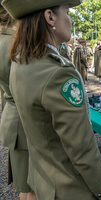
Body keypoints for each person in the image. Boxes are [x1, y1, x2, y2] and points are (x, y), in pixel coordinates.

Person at [3, 1, 101, 200]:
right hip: (69, 188)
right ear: (50, 17)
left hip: (43, 179)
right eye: (67, 11)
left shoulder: (21, 62)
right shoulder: (58, 74)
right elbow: (81, 148)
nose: (71, 19)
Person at [0, 5, 36, 200]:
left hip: (12, 118)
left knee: (26, 185)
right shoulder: (16, 44)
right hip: (24, 121)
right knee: (33, 188)